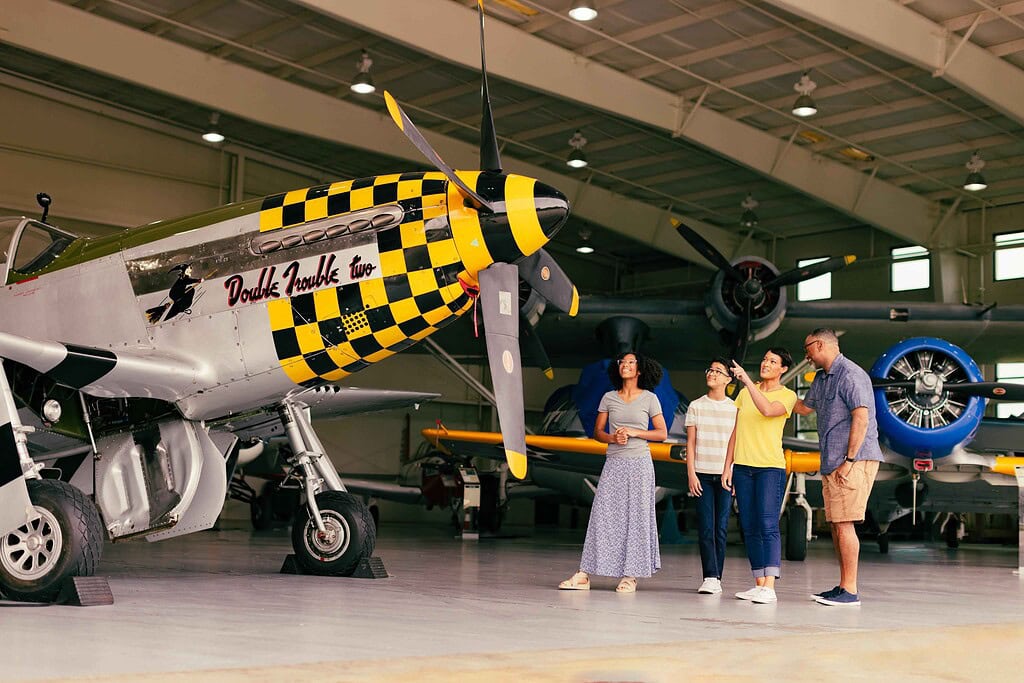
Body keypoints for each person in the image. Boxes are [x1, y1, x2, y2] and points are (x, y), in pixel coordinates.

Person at [559, 351, 668, 593]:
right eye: (622, 362)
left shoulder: (650, 398)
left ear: (639, 370)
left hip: (640, 464)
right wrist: (613, 437)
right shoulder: (608, 397)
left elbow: (662, 434)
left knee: (636, 519)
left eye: (631, 362)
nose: (625, 365)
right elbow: (598, 432)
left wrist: (635, 432)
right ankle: (584, 574)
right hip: (614, 463)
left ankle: (631, 575)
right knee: (602, 515)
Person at [794, 328, 883, 607]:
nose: (806, 356)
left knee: (844, 524)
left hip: (852, 460)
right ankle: (844, 585)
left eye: (807, 349)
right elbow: (803, 409)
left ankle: (851, 591)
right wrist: (765, 389)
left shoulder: (851, 374)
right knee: (836, 525)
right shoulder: (822, 378)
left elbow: (861, 418)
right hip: (832, 460)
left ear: (819, 344)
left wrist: (849, 460)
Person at [722, 348, 797, 604]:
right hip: (743, 467)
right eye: (764, 359)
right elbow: (736, 430)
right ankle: (758, 583)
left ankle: (770, 587)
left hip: (769, 468)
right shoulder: (744, 394)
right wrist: (727, 466)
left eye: (773, 361)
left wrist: (746, 381)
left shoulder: (788, 395)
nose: (766, 363)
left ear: (783, 369)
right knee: (750, 527)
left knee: (767, 524)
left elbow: (766, 410)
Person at [685, 357, 737, 595]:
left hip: (725, 475)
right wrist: (691, 474)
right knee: (706, 527)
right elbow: (691, 443)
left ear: (728, 379)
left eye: (718, 371)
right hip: (702, 475)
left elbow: (735, 445)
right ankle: (710, 576)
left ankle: (717, 577)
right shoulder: (696, 405)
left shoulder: (735, 408)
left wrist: (730, 471)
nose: (712, 374)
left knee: (721, 528)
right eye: (710, 370)